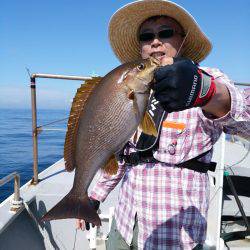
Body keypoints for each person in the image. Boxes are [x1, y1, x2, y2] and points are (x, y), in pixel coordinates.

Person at [77, 0, 250, 249]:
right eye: (146, 36)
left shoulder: (207, 77)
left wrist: (206, 93)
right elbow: (123, 155)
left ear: (182, 39)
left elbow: (245, 120)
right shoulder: (132, 88)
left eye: (165, 33)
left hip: (176, 235)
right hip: (126, 221)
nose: (155, 41)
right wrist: (94, 196)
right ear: (141, 48)